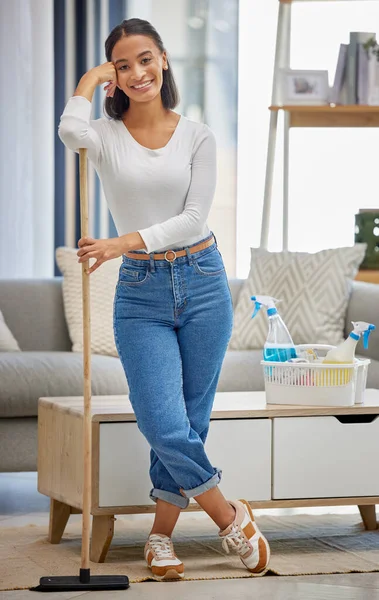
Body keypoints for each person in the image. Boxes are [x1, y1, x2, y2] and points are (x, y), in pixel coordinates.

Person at [58, 17, 270, 582]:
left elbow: (193, 218)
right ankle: (230, 516)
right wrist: (87, 80)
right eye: (123, 66)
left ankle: (159, 537)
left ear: (165, 60)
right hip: (140, 293)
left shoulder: (198, 135)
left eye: (145, 59)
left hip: (202, 279)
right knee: (162, 419)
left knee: (190, 421)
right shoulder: (104, 135)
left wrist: (119, 242)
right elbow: (70, 135)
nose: (137, 72)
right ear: (114, 78)